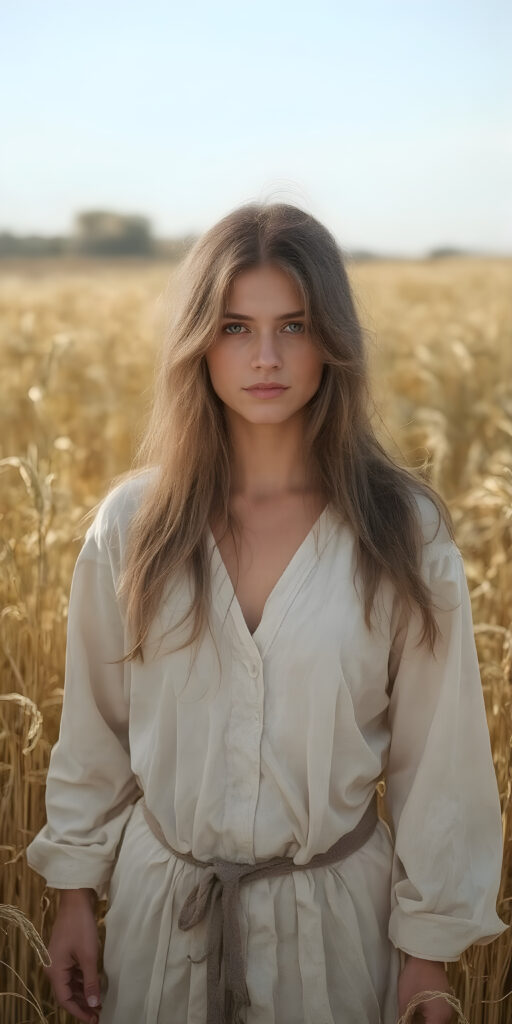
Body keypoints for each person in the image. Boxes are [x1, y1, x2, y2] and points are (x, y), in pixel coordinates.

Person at [26, 202, 508, 1024]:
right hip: (159, 924)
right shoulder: (132, 526)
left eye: (293, 326)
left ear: (333, 340)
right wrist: (74, 893)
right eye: (235, 328)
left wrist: (425, 955)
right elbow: (96, 730)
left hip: (334, 935)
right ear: (198, 342)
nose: (266, 357)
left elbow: (440, 759)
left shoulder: (401, 531)